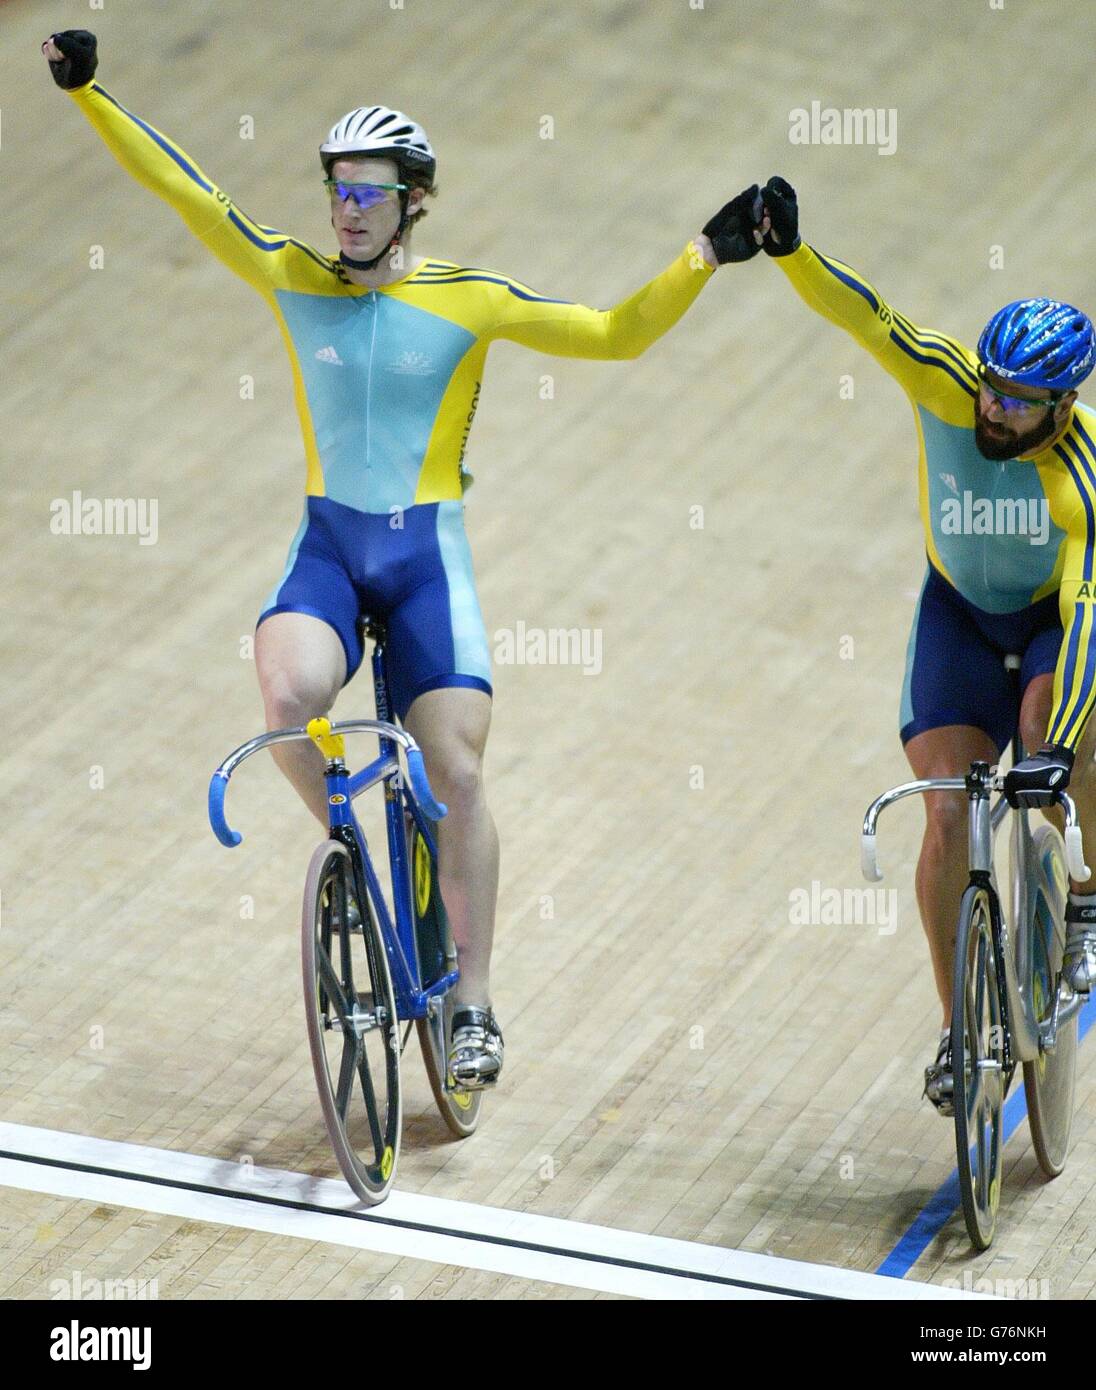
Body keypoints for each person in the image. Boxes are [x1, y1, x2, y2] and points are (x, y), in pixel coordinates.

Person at [43, 29, 767, 1090]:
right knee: (285, 698)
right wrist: (90, 93)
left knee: (460, 774)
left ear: (413, 201)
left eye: (369, 193)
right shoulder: (291, 273)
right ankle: (357, 870)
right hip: (330, 546)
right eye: (337, 188)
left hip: (426, 557)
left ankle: (471, 997)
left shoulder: (468, 300)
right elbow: (189, 192)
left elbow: (613, 333)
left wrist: (703, 254)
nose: (346, 209)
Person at [748, 176, 1096, 1113]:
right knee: (948, 814)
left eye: (1019, 402)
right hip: (959, 615)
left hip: (1053, 622)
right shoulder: (947, 384)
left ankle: (1088, 895)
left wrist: (1057, 746)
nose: (993, 410)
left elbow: (1091, 606)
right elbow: (870, 320)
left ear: (1062, 405)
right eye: (992, 386)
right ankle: (958, 1029)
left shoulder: (1083, 472)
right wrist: (792, 252)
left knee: (1054, 730)